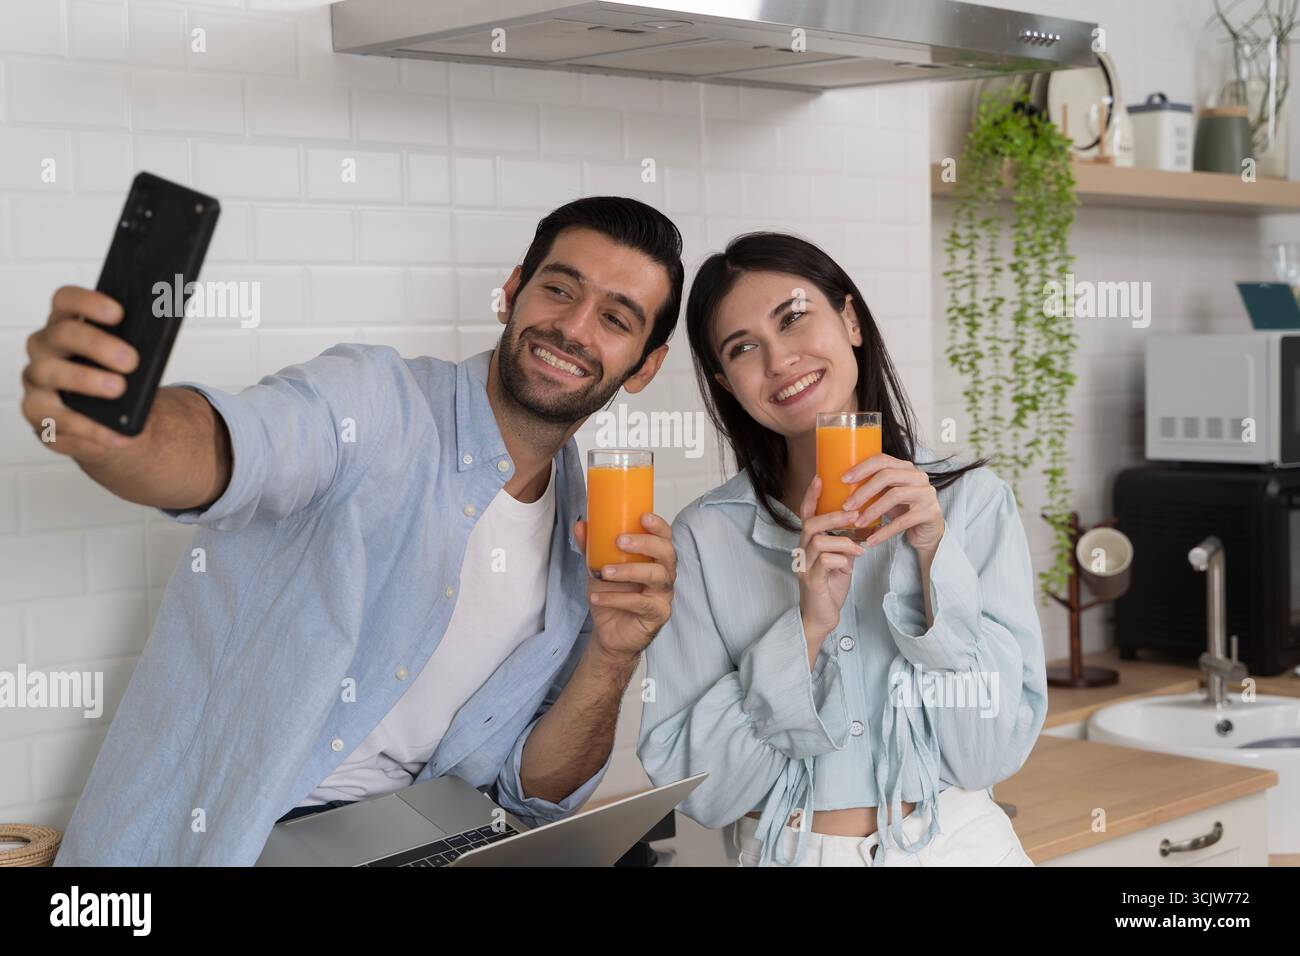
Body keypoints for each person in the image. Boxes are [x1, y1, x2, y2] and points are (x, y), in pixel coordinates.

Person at [21, 196, 682, 865]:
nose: (572, 327)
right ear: (512, 292)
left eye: (615, 319)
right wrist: (119, 428)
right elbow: (232, 447)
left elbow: (534, 791)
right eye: (559, 288)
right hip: (243, 837)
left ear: (645, 366)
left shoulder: (589, 533)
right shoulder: (372, 402)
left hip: (416, 840)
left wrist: (613, 654)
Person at [637, 232, 1048, 867]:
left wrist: (931, 559)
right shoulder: (700, 539)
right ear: (726, 381)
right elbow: (701, 793)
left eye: (794, 319)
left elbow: (989, 755)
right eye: (744, 348)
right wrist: (804, 629)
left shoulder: (973, 503)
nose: (779, 361)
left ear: (850, 320)